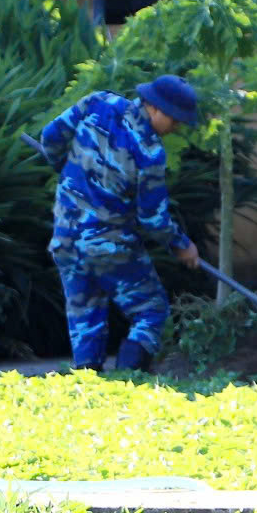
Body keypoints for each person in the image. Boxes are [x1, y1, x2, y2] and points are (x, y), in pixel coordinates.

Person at [33, 75, 203, 372]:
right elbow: (153, 218)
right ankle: (129, 380)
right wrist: (182, 245)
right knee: (151, 309)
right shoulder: (150, 151)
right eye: (175, 120)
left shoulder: (98, 102)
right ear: (155, 108)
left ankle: (89, 384)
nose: (176, 127)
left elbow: (50, 136)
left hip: (67, 238)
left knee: (85, 316)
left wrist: (67, 170)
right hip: (109, 244)